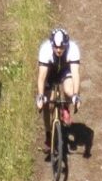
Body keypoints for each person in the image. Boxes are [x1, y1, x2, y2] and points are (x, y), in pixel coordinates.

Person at [35, 25, 81, 159]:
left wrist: (75, 96)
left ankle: (65, 106)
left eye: (61, 47)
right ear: (52, 45)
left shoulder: (73, 50)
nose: (59, 50)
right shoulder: (45, 50)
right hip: (50, 72)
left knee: (69, 90)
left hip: (65, 71)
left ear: (66, 45)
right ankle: (49, 135)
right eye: (56, 47)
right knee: (47, 105)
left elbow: (75, 74)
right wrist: (40, 96)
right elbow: (42, 77)